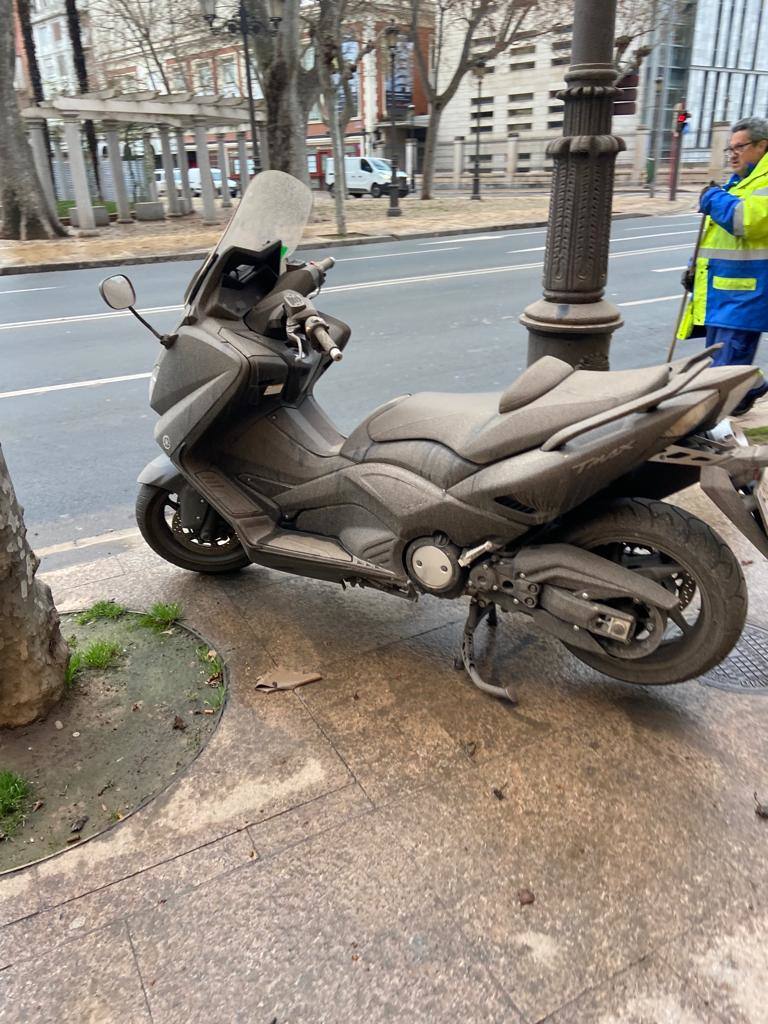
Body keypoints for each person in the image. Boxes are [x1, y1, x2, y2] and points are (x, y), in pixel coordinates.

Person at [681, 116, 768, 415]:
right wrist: (694, 269)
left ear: (762, 146)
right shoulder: (740, 182)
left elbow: (745, 221)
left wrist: (713, 198)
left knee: (722, 371)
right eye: (730, 148)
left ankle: (723, 414)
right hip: (724, 291)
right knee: (720, 364)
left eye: (739, 147)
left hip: (746, 294)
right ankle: (746, 390)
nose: (732, 154)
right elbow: (718, 238)